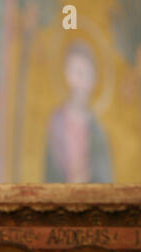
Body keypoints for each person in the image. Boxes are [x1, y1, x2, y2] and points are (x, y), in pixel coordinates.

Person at [46, 42, 111, 183]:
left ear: (92, 79)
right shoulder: (56, 122)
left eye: (84, 73)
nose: (78, 82)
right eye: (75, 72)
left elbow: (105, 180)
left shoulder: (97, 130)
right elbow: (49, 175)